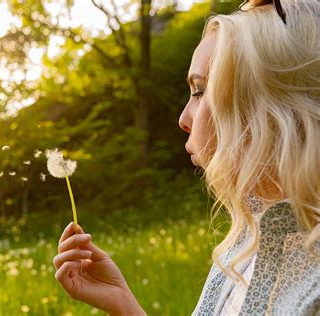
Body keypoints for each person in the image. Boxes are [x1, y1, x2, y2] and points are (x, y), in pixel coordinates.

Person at [53, 0, 319, 314]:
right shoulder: (248, 241)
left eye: (199, 91)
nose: (183, 118)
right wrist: (122, 302)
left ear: (263, 101)